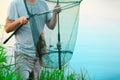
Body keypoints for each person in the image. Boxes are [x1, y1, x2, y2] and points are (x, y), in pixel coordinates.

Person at [4, 0, 61, 80]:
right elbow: (7, 28)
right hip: (23, 54)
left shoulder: (43, 4)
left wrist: (55, 14)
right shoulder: (15, 3)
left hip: (38, 54)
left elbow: (51, 26)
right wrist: (19, 21)